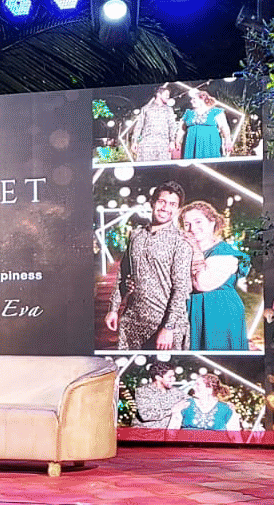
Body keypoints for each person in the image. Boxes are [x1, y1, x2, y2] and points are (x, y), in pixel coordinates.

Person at [106, 182, 192, 350]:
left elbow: (181, 289)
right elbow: (123, 274)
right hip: (132, 322)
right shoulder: (136, 235)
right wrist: (113, 308)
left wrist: (168, 327)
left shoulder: (180, 242)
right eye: (161, 201)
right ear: (152, 203)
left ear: (178, 210)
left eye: (172, 204)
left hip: (164, 326)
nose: (165, 207)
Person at [180, 200, 250, 350]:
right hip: (192, 313)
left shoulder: (225, 253)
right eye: (187, 224)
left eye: (198, 221)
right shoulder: (183, 252)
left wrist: (194, 248)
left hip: (219, 315)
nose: (192, 228)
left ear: (212, 222)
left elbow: (201, 283)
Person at [166, 371, 242, 437]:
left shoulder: (227, 410)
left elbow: (236, 439)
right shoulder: (184, 405)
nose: (194, 388)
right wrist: (175, 413)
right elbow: (171, 435)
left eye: (198, 384)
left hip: (215, 452)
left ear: (209, 390)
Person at [128, 85, 181, 162]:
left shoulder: (169, 110)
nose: (168, 97)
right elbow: (139, 125)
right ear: (158, 94)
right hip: (147, 144)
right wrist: (134, 142)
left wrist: (172, 141)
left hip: (163, 144)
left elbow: (172, 126)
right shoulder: (146, 108)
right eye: (166, 95)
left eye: (168, 95)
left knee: (163, 169)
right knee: (145, 168)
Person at [180, 89, 232, 160]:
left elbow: (224, 127)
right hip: (191, 143)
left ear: (202, 99)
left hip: (210, 143)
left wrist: (228, 141)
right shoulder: (189, 113)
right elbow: (182, 129)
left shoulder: (216, 111)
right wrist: (177, 141)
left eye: (194, 99)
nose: (191, 101)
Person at [132, 360, 186, 427]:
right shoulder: (143, 391)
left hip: (166, 434)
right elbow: (145, 415)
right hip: (144, 434)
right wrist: (171, 410)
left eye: (173, 376)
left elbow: (189, 401)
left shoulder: (176, 392)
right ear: (158, 377)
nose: (173, 379)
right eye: (170, 377)